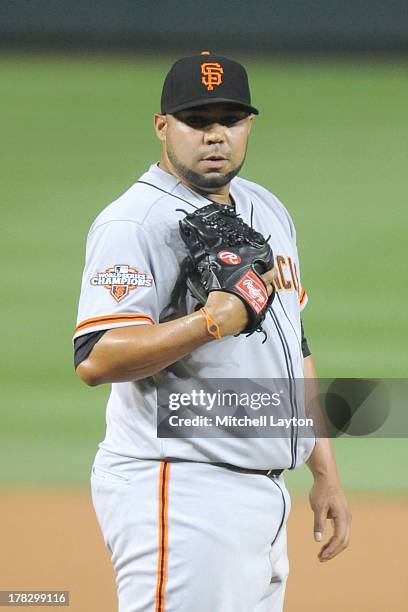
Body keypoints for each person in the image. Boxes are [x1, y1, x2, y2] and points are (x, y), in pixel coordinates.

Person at [74, 52, 351, 612]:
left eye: (230, 120)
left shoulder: (266, 208)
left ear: (249, 125)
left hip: (263, 497)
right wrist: (206, 324)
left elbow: (295, 344)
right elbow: (96, 356)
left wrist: (325, 472)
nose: (215, 136)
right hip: (181, 493)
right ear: (162, 126)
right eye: (197, 121)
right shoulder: (135, 222)